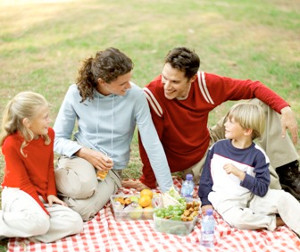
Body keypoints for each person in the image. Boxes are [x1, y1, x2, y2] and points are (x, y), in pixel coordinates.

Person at [123, 47, 300, 200]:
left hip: (209, 138)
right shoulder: (153, 95)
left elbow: (252, 87)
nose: (166, 86)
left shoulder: (205, 84)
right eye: (164, 78)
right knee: (243, 175)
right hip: (193, 161)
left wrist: (284, 108)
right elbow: (149, 143)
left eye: (175, 81)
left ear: (192, 79)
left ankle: (289, 173)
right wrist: (148, 180)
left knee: (264, 105)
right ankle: (275, 192)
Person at [53, 47, 173, 221]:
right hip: (80, 158)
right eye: (122, 84)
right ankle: (47, 181)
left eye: (129, 80)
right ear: (102, 82)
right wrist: (84, 152)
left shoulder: (136, 97)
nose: (129, 86)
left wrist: (168, 191)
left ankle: (56, 196)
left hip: (111, 170)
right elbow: (57, 139)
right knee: (85, 186)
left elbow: (152, 143)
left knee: (82, 211)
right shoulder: (76, 93)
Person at [198, 102, 300, 235]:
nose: (225, 125)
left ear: (247, 131)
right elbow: (206, 179)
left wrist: (242, 175)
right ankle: (275, 221)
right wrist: (205, 202)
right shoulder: (217, 149)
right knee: (238, 219)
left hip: (253, 198)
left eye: (231, 122)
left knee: (284, 198)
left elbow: (263, 189)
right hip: (226, 201)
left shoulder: (258, 155)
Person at [0, 91, 83, 243]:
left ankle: (21, 230)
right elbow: (23, 182)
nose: (49, 121)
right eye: (44, 117)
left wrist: (51, 193)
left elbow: (49, 168)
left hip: (40, 195)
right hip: (18, 193)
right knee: (40, 221)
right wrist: (42, 212)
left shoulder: (49, 135)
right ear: (27, 122)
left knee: (75, 222)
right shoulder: (11, 144)